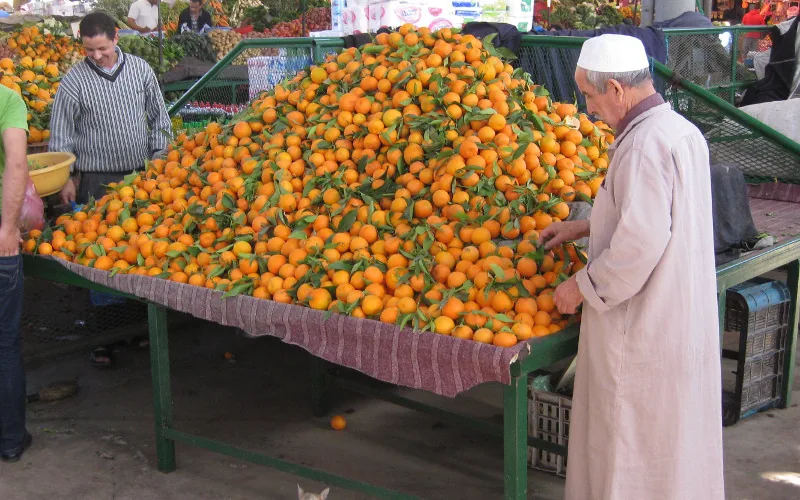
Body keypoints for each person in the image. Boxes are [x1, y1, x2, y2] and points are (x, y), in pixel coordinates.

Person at [540, 34, 724, 499]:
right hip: (677, 319)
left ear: (617, 90)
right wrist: (581, 229)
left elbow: (638, 245)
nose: (588, 108)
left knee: (630, 448)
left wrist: (580, 286)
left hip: (644, 325)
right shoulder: (677, 131)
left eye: (589, 94)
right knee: (672, 448)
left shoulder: (643, 146)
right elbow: (658, 214)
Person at [51, 11, 172, 367]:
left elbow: (159, 119)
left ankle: (138, 329)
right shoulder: (73, 81)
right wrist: (67, 177)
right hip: (95, 181)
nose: (96, 56)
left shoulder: (140, 69)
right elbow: (61, 134)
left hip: (139, 176)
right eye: (89, 50)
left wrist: (160, 159)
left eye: (101, 48)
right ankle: (104, 337)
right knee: (98, 260)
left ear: (116, 37)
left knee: (138, 253)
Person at [0, 84, 32, 462]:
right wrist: (8, 228)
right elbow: (17, 163)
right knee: (4, 345)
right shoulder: (7, 98)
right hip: (1, 242)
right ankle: (9, 441)